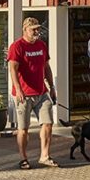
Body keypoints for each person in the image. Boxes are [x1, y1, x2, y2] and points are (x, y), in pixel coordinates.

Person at [8, 17, 59, 169]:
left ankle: (45, 156)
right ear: (25, 29)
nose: (37, 32)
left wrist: (52, 87)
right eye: (33, 29)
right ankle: (23, 158)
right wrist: (18, 89)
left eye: (38, 29)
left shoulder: (41, 45)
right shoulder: (17, 46)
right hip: (24, 94)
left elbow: (46, 67)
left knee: (48, 123)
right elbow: (13, 69)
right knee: (23, 128)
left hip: (42, 93)